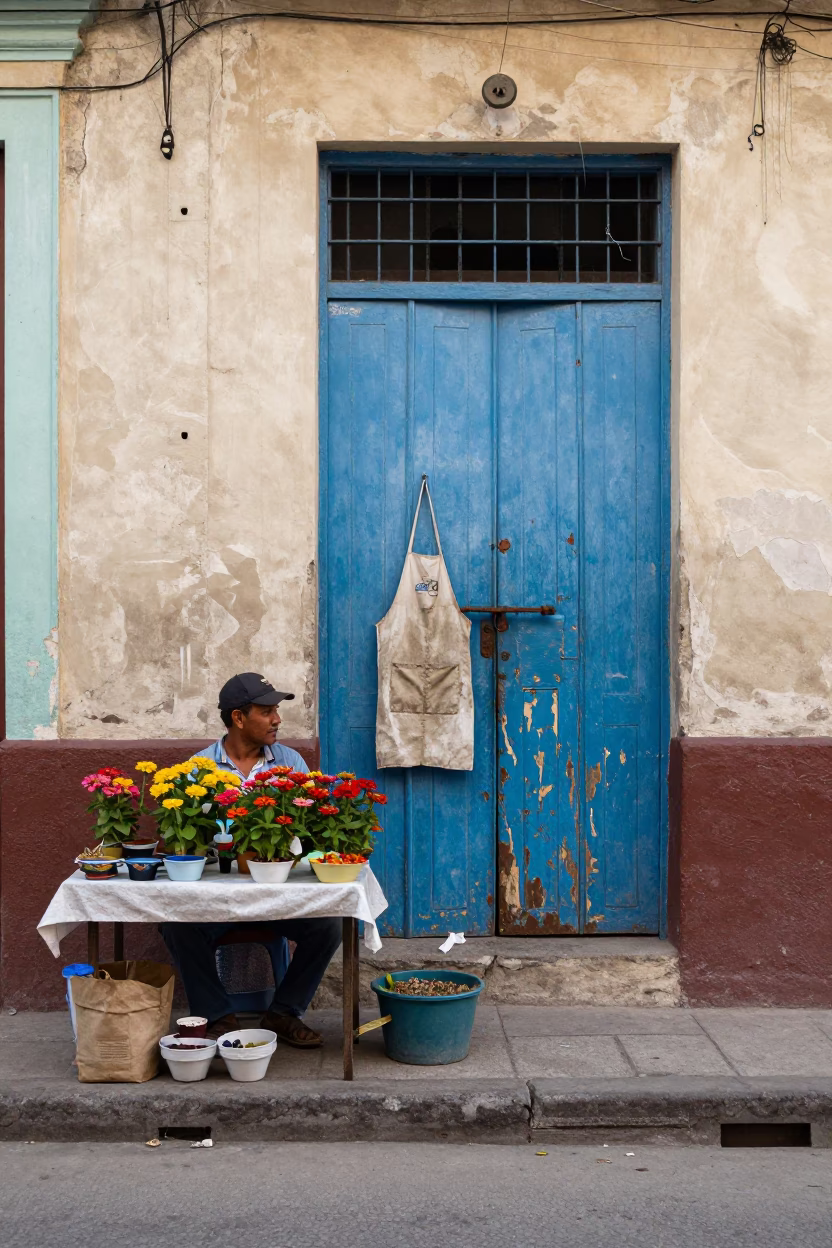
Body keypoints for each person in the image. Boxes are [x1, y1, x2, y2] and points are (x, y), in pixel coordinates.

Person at [160, 672, 342, 1046]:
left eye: (276, 710)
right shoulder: (198, 768)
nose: (277, 719)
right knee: (176, 924)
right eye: (267, 711)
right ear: (238, 718)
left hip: (279, 892)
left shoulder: (289, 761)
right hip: (218, 896)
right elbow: (183, 838)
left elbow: (311, 826)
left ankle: (283, 1012)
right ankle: (218, 1015)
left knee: (329, 927)